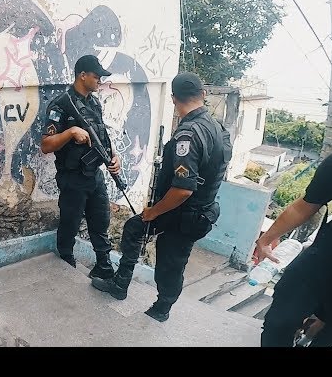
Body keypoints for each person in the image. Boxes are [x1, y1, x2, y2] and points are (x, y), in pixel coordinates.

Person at [92, 72, 232, 322]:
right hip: (199, 209)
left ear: (173, 98)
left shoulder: (188, 134)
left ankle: (161, 310)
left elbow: (182, 189)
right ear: (203, 94)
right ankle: (121, 285)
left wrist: (154, 212)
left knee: (170, 261)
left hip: (182, 212)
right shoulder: (218, 129)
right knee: (136, 229)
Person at [40, 55, 121, 280]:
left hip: (94, 174)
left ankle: (104, 266)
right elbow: (46, 145)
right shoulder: (61, 104)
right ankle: (66, 264)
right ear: (82, 75)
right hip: (72, 177)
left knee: (100, 219)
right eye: (96, 76)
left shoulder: (94, 103)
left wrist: (114, 156)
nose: (99, 81)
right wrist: (70, 132)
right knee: (70, 222)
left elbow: (101, 135)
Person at [255, 148, 332, 347]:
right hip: (327, 255)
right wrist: (267, 239)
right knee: (279, 321)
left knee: (329, 336)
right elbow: (305, 206)